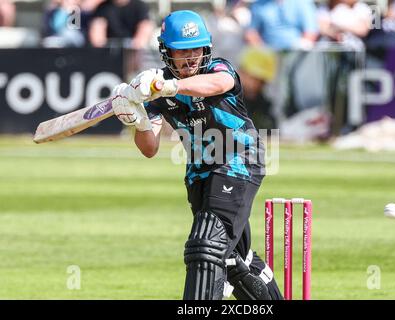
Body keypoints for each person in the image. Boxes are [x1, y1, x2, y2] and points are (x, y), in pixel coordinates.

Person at [110, 10, 283, 300]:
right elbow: (149, 148)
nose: (191, 57)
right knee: (232, 260)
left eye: (196, 49)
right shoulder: (158, 91)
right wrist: (135, 118)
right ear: (167, 53)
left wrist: (166, 86)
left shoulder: (217, 70)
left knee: (205, 247)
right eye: (183, 51)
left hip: (238, 162)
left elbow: (219, 86)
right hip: (200, 174)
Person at [245, 0, 319, 51]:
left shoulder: (303, 2)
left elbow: (310, 32)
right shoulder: (259, 4)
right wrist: (262, 49)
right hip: (268, 53)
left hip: (296, 52)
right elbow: (251, 33)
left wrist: (298, 49)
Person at [89, 0, 154, 49]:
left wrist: (136, 46)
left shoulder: (140, 6)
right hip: (109, 52)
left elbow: (145, 29)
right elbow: (97, 35)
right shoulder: (102, 7)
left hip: (133, 52)